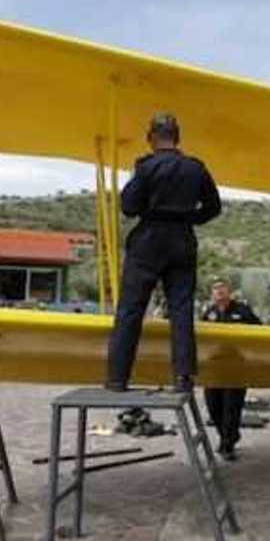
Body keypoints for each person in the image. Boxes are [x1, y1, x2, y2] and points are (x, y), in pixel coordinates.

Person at [105, 112, 221, 393]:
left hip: (149, 239)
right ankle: (183, 378)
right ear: (177, 137)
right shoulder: (196, 168)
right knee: (181, 310)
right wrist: (187, 219)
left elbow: (129, 207)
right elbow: (213, 207)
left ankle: (118, 378)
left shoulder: (146, 168)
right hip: (182, 239)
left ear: (152, 138)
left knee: (131, 309)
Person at [201, 278, 261, 461]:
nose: (218, 291)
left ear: (229, 291)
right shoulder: (208, 313)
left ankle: (227, 445)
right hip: (214, 368)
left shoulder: (242, 311)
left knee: (231, 408)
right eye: (215, 289)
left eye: (222, 288)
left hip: (236, 368)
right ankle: (228, 436)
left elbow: (260, 331)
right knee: (213, 408)